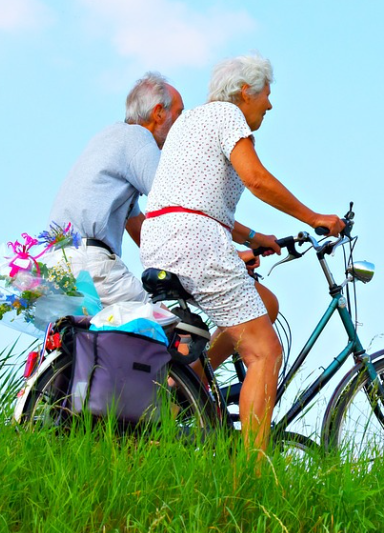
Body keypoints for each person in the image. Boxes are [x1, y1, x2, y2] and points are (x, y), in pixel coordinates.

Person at [140, 54, 345, 452]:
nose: (269, 105)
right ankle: (250, 477)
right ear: (246, 91)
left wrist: (252, 237)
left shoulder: (192, 121)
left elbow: (192, 198)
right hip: (195, 241)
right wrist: (314, 217)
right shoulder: (228, 115)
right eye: (267, 94)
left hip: (164, 239)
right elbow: (256, 178)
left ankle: (188, 386)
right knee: (265, 352)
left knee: (264, 303)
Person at [47, 72, 184, 306]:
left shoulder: (109, 137)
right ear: (159, 112)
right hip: (90, 264)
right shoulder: (138, 138)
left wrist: (180, 265)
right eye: (179, 114)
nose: (182, 125)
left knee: (98, 339)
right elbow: (178, 202)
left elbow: (137, 225)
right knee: (167, 327)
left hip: (57, 265)